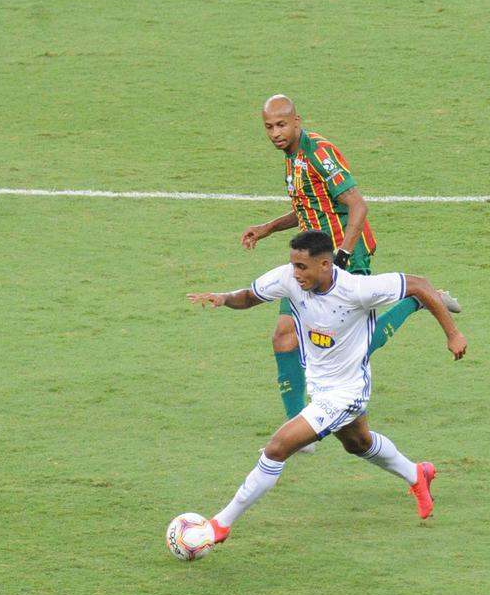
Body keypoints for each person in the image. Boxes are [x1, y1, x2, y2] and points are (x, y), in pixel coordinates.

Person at [187, 229, 467, 545]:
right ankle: (418, 474)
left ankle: (219, 526)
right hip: (322, 387)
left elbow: (419, 285)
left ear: (325, 264)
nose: (295, 274)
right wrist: (224, 299)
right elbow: (250, 296)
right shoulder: (290, 279)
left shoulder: (358, 290)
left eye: (302, 267)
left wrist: (452, 334)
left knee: (277, 449)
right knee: (358, 443)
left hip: (347, 391)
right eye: (293, 265)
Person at [241, 95, 460, 449]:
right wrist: (267, 228)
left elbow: (357, 204)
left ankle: (417, 301)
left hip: (344, 257)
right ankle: (300, 426)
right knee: (284, 335)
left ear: (297, 121)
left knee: (354, 346)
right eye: (269, 127)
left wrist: (342, 255)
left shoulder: (318, 153)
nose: (276, 133)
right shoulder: (293, 158)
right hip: (314, 262)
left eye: (282, 125)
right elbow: (310, 207)